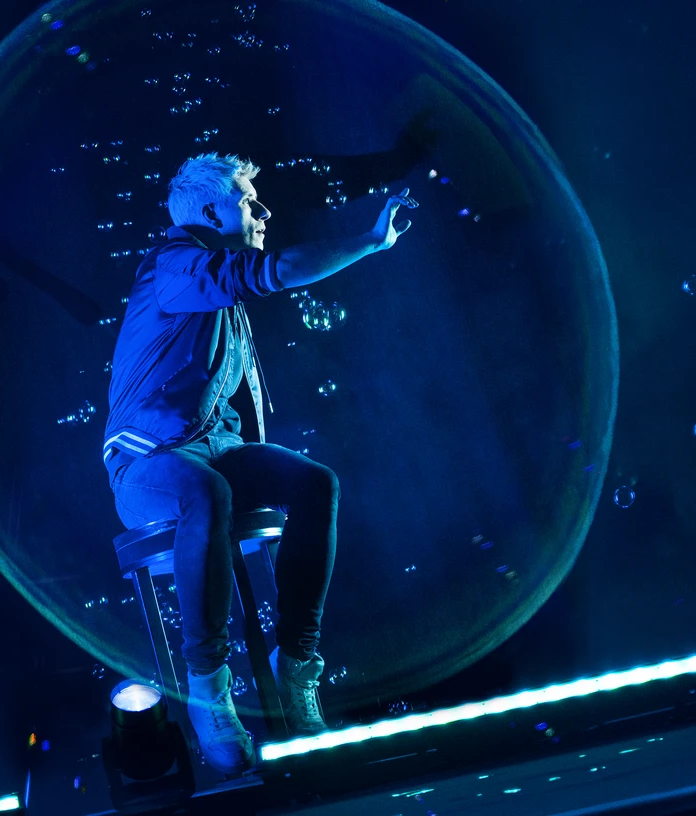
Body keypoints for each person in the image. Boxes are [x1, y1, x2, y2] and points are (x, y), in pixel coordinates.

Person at [103, 152, 418, 775]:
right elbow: (274, 270)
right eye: (251, 201)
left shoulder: (212, 281)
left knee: (313, 483)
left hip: (212, 452)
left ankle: (295, 664)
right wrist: (366, 243)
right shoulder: (172, 267)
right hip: (146, 463)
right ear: (212, 211)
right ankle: (209, 689)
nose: (264, 210)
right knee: (207, 494)